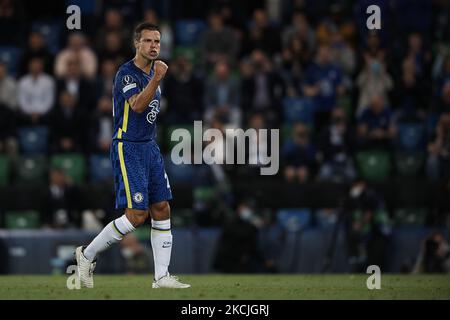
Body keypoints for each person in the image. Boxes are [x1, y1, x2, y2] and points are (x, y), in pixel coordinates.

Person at [75, 23, 190, 289]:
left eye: (157, 42)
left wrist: (156, 77)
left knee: (162, 208)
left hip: (149, 146)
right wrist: (158, 78)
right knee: (137, 215)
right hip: (128, 147)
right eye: (148, 41)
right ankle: (86, 254)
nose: (154, 46)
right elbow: (137, 106)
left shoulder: (153, 72)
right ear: (136, 43)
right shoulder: (126, 73)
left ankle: (161, 277)